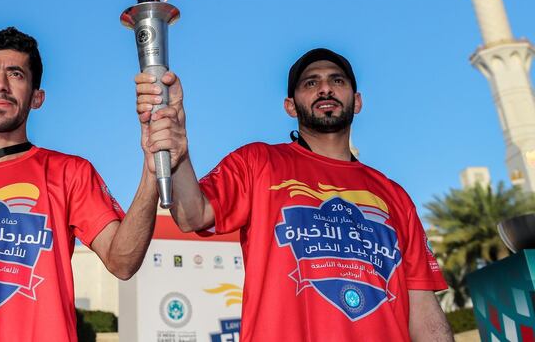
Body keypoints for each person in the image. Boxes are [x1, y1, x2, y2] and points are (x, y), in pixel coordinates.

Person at [135, 48, 453, 341]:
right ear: (290, 106)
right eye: (310, 83)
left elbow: (423, 307)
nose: (325, 89)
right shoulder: (258, 163)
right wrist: (178, 147)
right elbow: (192, 214)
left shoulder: (393, 196)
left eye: (336, 81)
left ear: (357, 101)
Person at [0, 27, 160, 342]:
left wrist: (153, 169)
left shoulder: (68, 173)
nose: (0, 85)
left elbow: (123, 261)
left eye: (16, 74)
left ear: (37, 97)